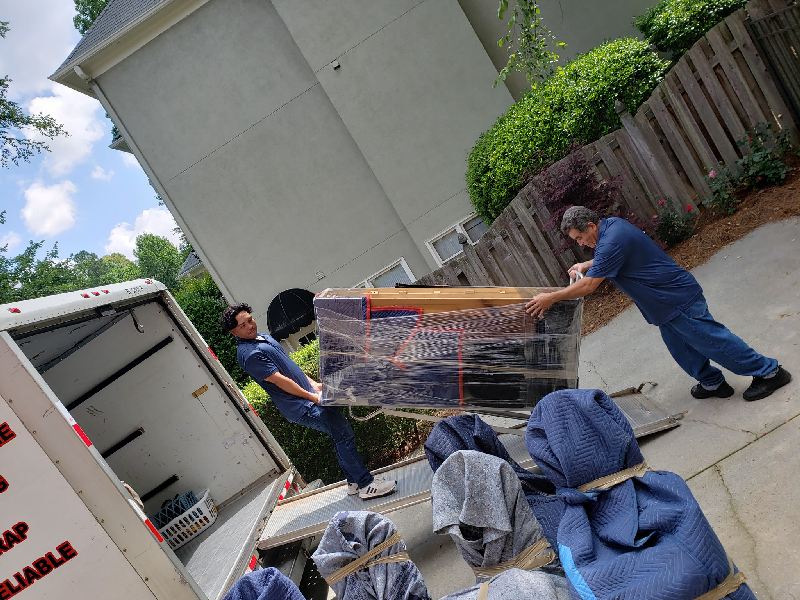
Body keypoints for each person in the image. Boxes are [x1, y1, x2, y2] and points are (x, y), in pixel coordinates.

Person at [525, 206, 791, 402]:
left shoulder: (611, 240)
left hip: (676, 299)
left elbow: (589, 286)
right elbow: (609, 257)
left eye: (579, 238)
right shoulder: (612, 227)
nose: (581, 244)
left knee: (712, 341)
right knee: (682, 349)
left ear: (591, 226)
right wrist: (587, 263)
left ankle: (769, 372)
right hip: (663, 306)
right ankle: (712, 383)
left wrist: (551, 297)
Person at [221, 303, 396, 499]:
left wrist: (314, 385)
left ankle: (354, 482)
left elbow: (289, 367)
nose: (250, 326)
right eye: (243, 325)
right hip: (301, 406)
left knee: (339, 434)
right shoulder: (249, 354)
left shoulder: (262, 338)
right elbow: (280, 380)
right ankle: (365, 485)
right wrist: (313, 397)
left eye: (250, 320)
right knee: (343, 434)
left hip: (308, 397)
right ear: (234, 332)